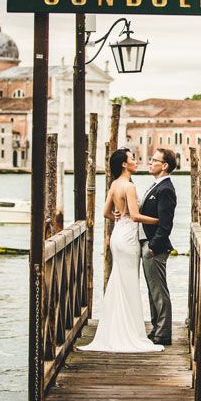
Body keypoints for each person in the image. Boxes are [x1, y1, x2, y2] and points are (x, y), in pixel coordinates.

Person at [79, 148, 163, 353]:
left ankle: (115, 329)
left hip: (118, 234)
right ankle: (129, 332)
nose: (136, 160)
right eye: (132, 158)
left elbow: (106, 213)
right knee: (129, 283)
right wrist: (159, 221)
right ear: (124, 164)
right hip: (128, 237)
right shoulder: (129, 186)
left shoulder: (114, 185)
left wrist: (119, 217)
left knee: (119, 281)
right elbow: (135, 216)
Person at [138, 148, 177, 346]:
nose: (150, 162)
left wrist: (153, 246)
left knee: (159, 291)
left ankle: (163, 332)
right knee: (153, 290)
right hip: (148, 244)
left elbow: (166, 223)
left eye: (154, 160)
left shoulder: (166, 189)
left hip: (155, 247)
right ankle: (157, 328)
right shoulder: (156, 187)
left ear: (165, 166)